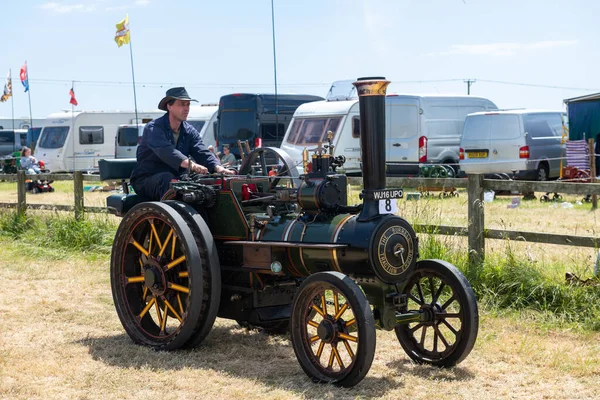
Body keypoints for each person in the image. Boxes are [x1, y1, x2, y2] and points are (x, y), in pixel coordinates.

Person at [130, 87, 235, 200]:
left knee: (202, 181)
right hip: (146, 180)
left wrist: (218, 167)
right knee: (168, 180)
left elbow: (201, 151)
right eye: (182, 104)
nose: (186, 108)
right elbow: (168, 152)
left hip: (176, 178)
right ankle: (171, 217)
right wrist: (192, 165)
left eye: (188, 105)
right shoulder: (153, 128)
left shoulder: (189, 131)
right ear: (169, 106)